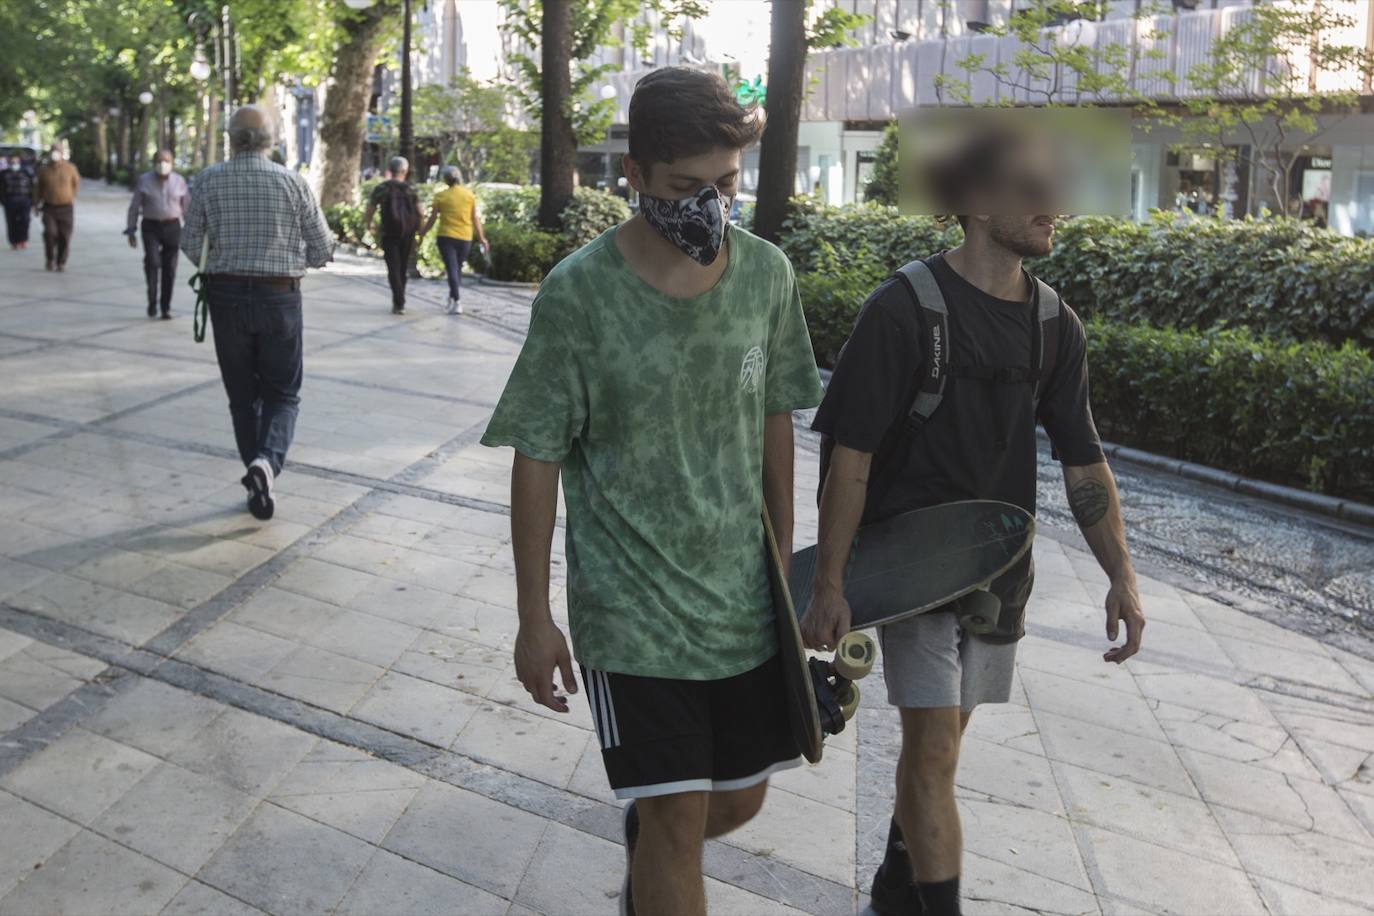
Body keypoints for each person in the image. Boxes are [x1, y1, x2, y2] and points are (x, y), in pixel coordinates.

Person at [480, 67, 823, 916]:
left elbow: (776, 423)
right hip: (629, 612)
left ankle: (654, 858)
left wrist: (788, 571)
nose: (707, 206)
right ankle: (660, 854)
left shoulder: (767, 278)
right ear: (633, 175)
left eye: (726, 186)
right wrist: (534, 615)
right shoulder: (579, 294)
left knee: (735, 799)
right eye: (684, 187)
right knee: (675, 820)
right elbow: (537, 454)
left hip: (741, 601)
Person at [802, 147, 1146, 916]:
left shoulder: (1055, 324)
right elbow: (848, 461)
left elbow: (1085, 464)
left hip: (1000, 573)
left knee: (943, 755)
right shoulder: (902, 310)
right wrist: (830, 584)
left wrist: (1121, 577)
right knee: (930, 753)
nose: (1055, 200)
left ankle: (894, 895)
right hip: (913, 567)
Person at [181, 105, 334, 521]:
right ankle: (267, 464)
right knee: (283, 393)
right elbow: (322, 249)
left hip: (225, 295)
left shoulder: (209, 180)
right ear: (270, 140)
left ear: (231, 138)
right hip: (279, 297)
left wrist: (220, 261)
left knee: (242, 398)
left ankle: (257, 477)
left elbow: (190, 242)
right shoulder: (292, 182)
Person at [125, 149, 190, 319]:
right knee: (153, 262)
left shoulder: (179, 181)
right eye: (159, 161)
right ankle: (152, 301)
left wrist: (192, 230)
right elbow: (134, 207)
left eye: (166, 160)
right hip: (151, 226)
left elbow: (187, 208)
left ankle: (165, 307)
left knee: (170, 269)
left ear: (172, 163)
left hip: (173, 226)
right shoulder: (144, 180)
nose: (163, 164)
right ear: (154, 163)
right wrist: (131, 229)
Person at [419, 165, 486, 314]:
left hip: (446, 237)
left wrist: (422, 232)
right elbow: (475, 218)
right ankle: (453, 298)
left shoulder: (441, 196)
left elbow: (432, 219)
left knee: (452, 269)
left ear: (445, 179)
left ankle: (456, 300)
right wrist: (482, 238)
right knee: (457, 268)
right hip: (465, 238)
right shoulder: (469, 195)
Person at [364, 156, 423, 314]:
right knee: (403, 266)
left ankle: (399, 301)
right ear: (405, 170)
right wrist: (420, 230)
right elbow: (420, 212)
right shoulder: (411, 188)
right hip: (408, 233)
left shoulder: (382, 188)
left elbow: (370, 209)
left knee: (393, 267)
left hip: (389, 232)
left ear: (390, 170)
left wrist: (369, 225)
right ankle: (400, 298)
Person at [33, 144, 79, 271]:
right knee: (50, 233)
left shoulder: (70, 168)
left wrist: (70, 196)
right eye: (54, 151)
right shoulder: (43, 169)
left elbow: (76, 184)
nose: (56, 153)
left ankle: (61, 262)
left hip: (66, 208)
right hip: (49, 208)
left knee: (65, 236)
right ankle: (49, 258)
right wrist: (36, 204)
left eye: (58, 151)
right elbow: (37, 189)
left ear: (62, 153)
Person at [2, 155, 34, 250]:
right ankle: (14, 241)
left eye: (16, 161)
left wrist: (31, 200)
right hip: (10, 200)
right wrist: (3, 200)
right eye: (12, 161)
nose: (14, 163)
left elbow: (32, 186)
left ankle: (23, 240)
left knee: (25, 221)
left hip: (24, 200)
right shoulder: (4, 173)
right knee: (11, 222)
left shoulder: (26, 172)